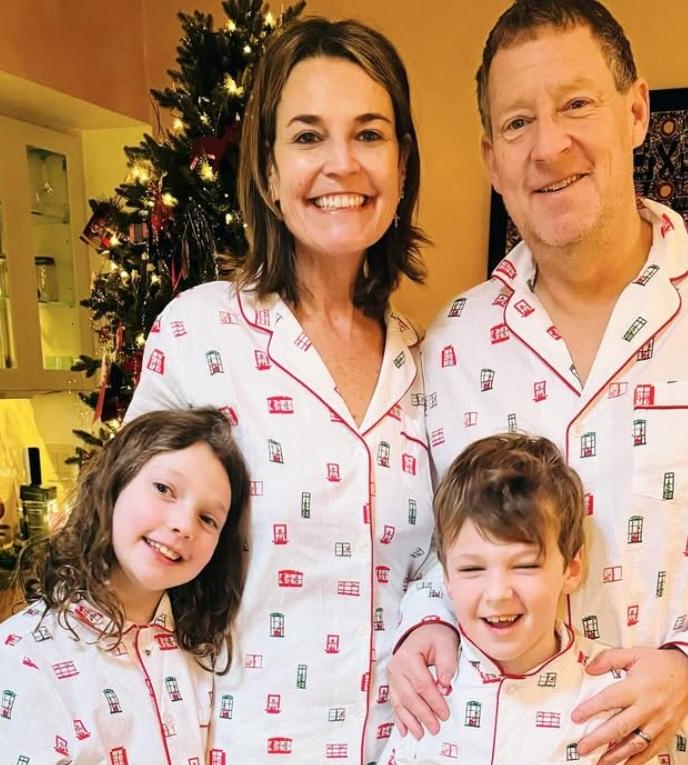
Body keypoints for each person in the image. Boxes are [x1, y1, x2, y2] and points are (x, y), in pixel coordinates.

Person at [389, 2, 688, 763]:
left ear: (637, 110)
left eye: (576, 104)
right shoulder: (452, 341)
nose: (549, 145)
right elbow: (430, 542)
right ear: (491, 156)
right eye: (518, 123)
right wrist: (425, 620)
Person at [123, 17, 434, 763]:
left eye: (368, 134)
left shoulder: (427, 362)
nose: (341, 164)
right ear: (266, 170)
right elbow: (124, 569)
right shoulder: (199, 335)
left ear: (401, 162)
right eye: (306, 136)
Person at [0, 408, 249, 764]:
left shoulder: (202, 649)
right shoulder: (16, 660)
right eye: (164, 489)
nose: (183, 525)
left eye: (208, 519)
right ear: (114, 483)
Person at [384, 433, 624, 764]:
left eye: (525, 565)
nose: (498, 593)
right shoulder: (425, 690)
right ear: (447, 578)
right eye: (471, 569)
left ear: (571, 567)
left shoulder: (609, 696)